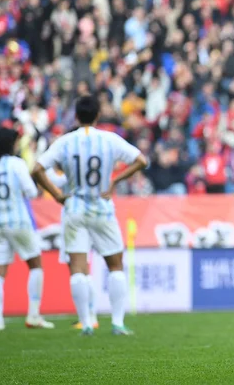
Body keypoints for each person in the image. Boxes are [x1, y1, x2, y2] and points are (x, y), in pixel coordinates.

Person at [32, 96, 148, 336]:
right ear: (97, 115)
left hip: (74, 208)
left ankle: (86, 323)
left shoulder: (65, 142)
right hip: (101, 207)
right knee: (115, 266)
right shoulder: (109, 139)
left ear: (76, 116)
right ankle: (117, 323)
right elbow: (141, 160)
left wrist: (56, 195)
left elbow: (37, 169)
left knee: (77, 268)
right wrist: (116, 180)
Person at [0, 127, 55, 331]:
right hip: (19, 221)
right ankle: (34, 315)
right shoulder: (16, 164)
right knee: (36, 265)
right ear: (10, 144)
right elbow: (30, 191)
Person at [45, 164, 99, 330]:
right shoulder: (91, 170)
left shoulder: (73, 170)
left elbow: (52, 178)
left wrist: (48, 160)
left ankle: (87, 318)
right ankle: (91, 316)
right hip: (91, 217)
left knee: (77, 269)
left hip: (74, 220)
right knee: (85, 270)